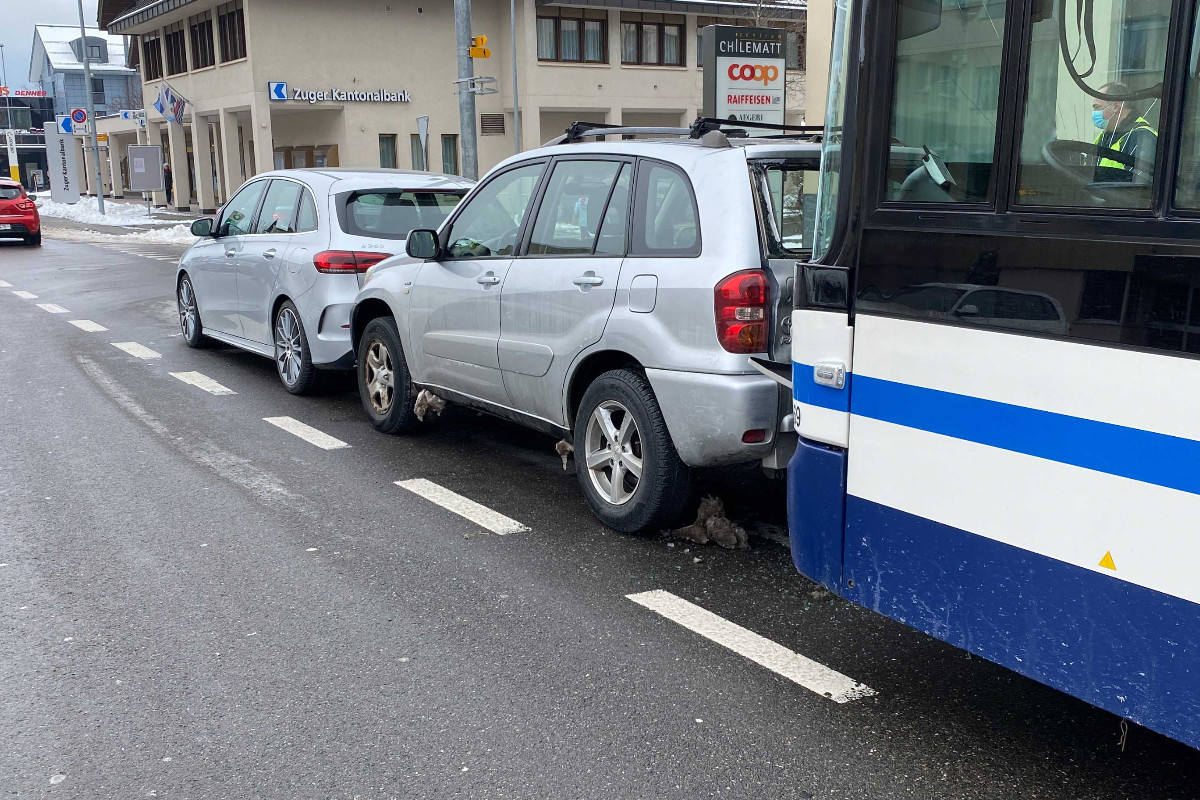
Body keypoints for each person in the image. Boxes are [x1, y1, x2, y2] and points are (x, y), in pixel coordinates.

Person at [1091, 82, 1158, 183]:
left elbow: (1140, 187)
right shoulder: (1104, 137)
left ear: (1115, 106)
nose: (1093, 112)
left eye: (1097, 107)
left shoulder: (1142, 137)